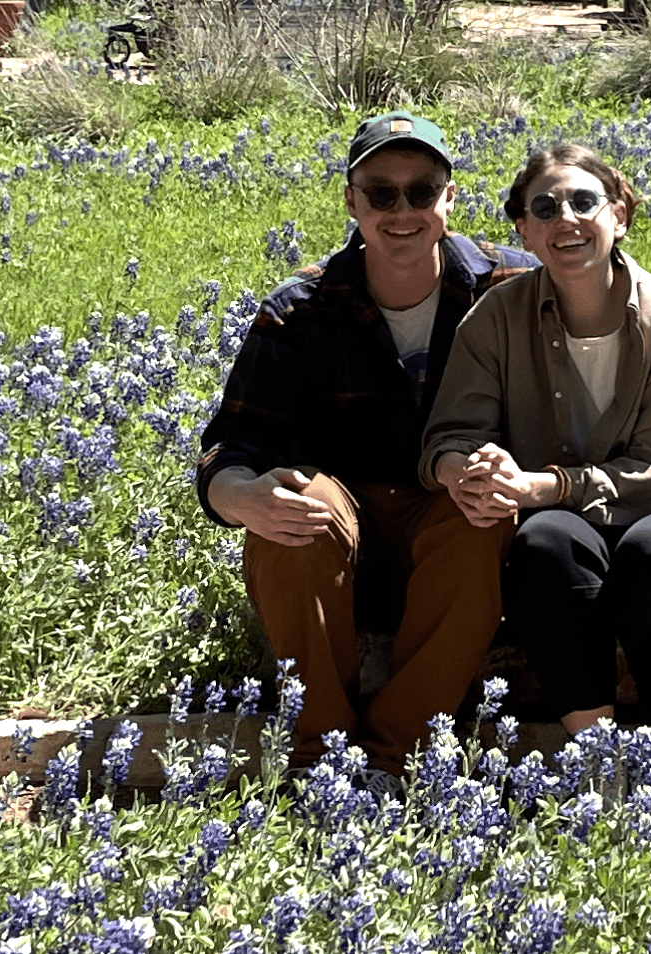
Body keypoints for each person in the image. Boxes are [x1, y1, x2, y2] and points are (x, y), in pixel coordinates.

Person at [420, 144, 651, 850]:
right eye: (545, 207)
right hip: (577, 529)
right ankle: (599, 760)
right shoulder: (497, 318)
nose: (567, 219)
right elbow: (450, 434)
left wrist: (546, 484)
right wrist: (467, 472)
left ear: (619, 216)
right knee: (542, 544)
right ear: (524, 232)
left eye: (584, 202)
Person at [195, 111, 539, 785]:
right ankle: (317, 755)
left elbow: (616, 300)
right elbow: (232, 443)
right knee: (294, 505)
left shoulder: (511, 284)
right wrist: (240, 497)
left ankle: (395, 753)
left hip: (448, 523)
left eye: (421, 191)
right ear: (352, 202)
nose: (401, 211)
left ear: (449, 198)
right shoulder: (300, 307)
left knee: (482, 510)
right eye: (381, 194)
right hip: (342, 527)